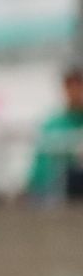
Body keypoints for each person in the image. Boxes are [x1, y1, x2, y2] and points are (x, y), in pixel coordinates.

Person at [26, 66, 83, 202]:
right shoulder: (52, 125)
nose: (75, 92)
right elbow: (40, 168)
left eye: (79, 85)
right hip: (58, 194)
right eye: (70, 86)